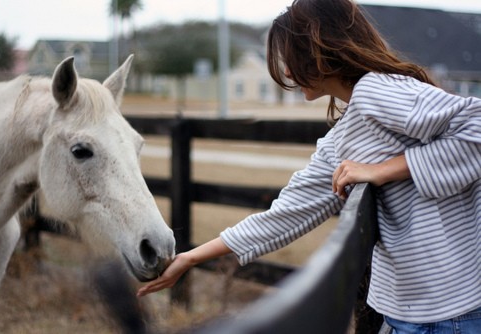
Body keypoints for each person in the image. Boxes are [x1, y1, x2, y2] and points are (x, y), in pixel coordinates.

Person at [138, 0, 481, 332]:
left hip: (451, 311)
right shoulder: (341, 138)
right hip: (411, 310)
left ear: (320, 48)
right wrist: (191, 258)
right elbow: (284, 216)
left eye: (292, 56)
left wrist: (385, 169)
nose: (286, 70)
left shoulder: (378, 90)